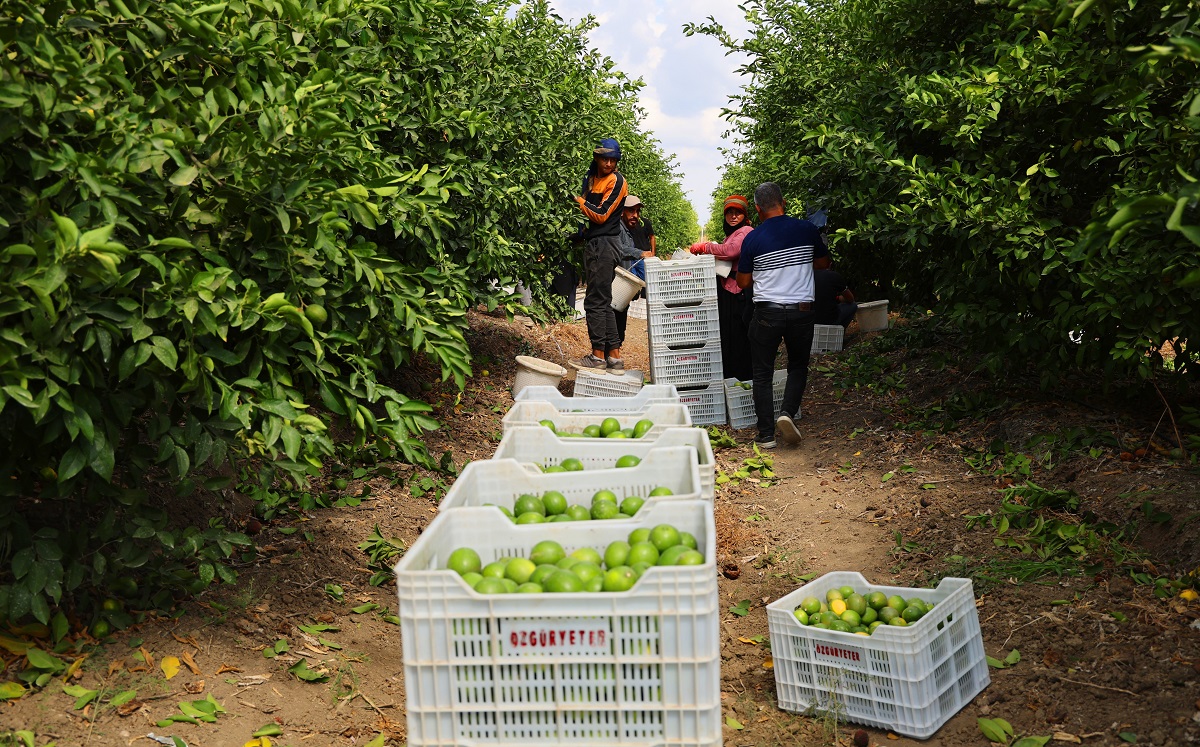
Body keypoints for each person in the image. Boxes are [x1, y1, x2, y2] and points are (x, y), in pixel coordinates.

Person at [736, 182, 828, 449]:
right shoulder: (807, 229)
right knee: (798, 365)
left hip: (767, 312)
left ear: (757, 208)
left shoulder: (752, 238)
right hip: (802, 311)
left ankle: (765, 435)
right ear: (783, 202)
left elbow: (743, 283)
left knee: (762, 372)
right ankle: (787, 413)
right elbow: (823, 264)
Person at [570, 138, 629, 374]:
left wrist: (578, 201)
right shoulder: (591, 178)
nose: (609, 163)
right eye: (605, 158)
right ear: (596, 158)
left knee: (594, 301)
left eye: (613, 160)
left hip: (605, 244)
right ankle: (614, 358)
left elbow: (602, 215)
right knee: (602, 300)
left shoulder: (617, 181)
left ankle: (597, 357)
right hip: (597, 242)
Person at [689, 194, 754, 381]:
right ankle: (730, 378)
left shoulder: (746, 231)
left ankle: (741, 378)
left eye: (738, 213)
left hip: (738, 293)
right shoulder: (731, 235)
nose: (733, 216)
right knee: (727, 336)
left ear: (744, 215)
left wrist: (706, 247)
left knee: (738, 337)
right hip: (727, 290)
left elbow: (732, 251)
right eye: (730, 213)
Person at [613, 195, 656, 346]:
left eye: (637, 212)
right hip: (614, 285)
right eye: (631, 211)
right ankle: (609, 356)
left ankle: (613, 355)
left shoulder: (627, 230)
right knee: (614, 322)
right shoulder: (617, 227)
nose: (635, 215)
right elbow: (618, 248)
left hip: (622, 285)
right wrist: (640, 252)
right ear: (622, 212)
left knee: (619, 321)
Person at [813, 262, 857, 329]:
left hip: (810, 320)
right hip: (830, 319)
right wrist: (839, 298)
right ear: (830, 264)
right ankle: (840, 333)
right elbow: (850, 299)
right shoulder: (833, 276)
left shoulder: (805, 278)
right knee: (853, 306)